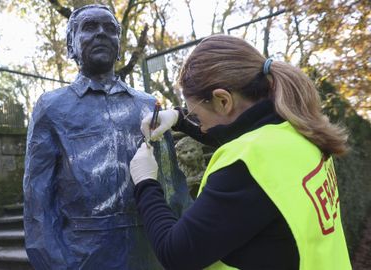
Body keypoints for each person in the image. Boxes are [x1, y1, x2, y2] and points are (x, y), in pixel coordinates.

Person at [130, 35, 352, 270]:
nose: (199, 124)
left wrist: (145, 182)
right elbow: (239, 130)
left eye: (195, 113)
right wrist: (178, 118)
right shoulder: (298, 129)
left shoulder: (245, 167)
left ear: (223, 100)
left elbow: (175, 253)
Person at [23, 4, 190, 270]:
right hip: (83, 256)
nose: (101, 33)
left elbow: (173, 188)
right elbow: (39, 203)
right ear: (71, 46)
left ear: (119, 46)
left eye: (109, 29)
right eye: (89, 27)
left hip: (148, 251)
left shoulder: (148, 105)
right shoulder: (51, 108)